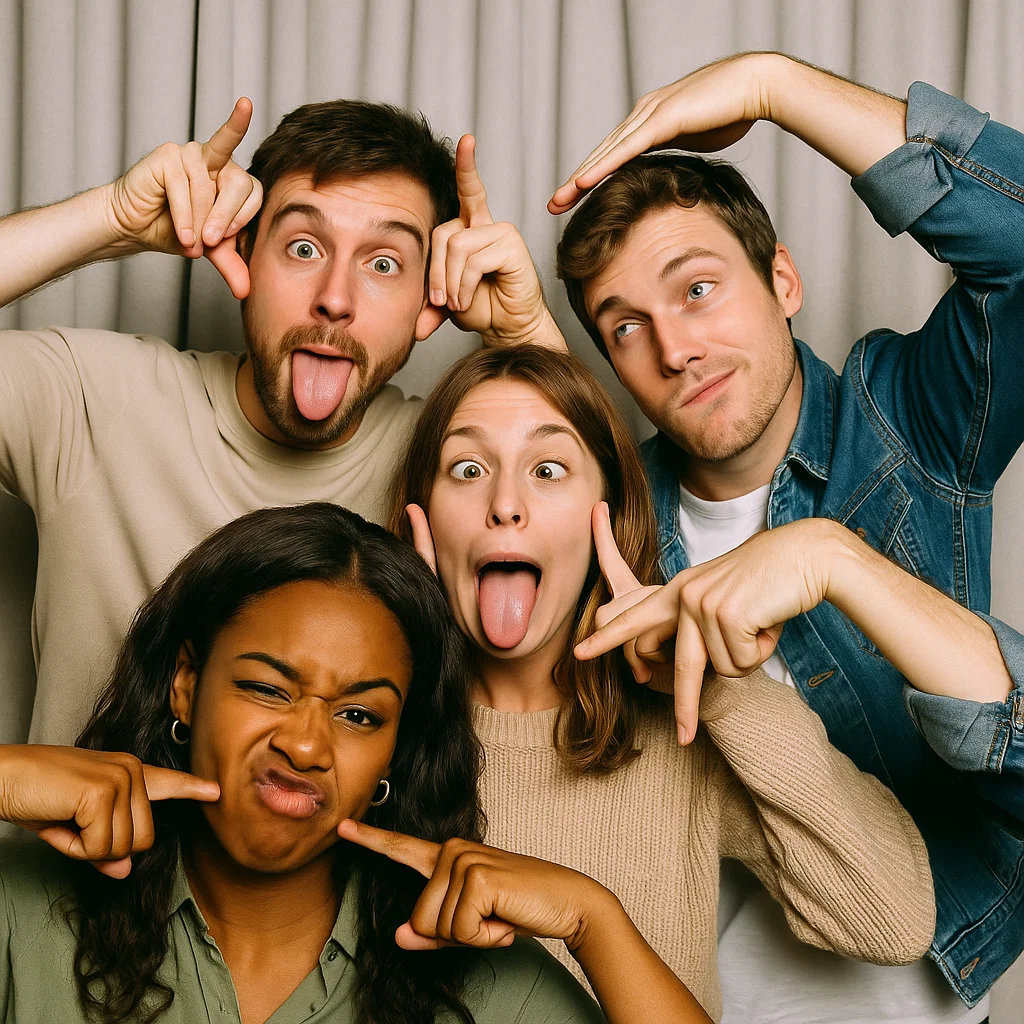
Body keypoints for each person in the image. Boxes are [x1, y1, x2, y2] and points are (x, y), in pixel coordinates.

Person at [551, 51, 1024, 1023]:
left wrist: (774, 87)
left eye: (694, 289)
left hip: (924, 974)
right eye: (626, 327)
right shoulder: (607, 519)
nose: (674, 348)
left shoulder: (904, 427)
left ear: (782, 278)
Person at [0, 501, 722, 1024]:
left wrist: (594, 919)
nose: (306, 746)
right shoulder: (22, 912)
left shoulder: (485, 993)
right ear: (186, 686)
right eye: (266, 688)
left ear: (397, 749)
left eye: (358, 715)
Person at [388, 343, 943, 1021]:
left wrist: (720, 690)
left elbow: (894, 919)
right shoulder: (366, 736)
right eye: (468, 469)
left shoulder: (684, 733)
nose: (505, 504)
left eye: (549, 468)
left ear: (611, 518)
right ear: (422, 514)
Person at [0, 96, 562, 748]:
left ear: (429, 299)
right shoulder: (91, 400)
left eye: (383, 264)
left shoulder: (454, 465)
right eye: (302, 247)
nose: (335, 298)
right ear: (243, 249)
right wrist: (111, 220)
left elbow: (600, 573)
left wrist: (528, 332)